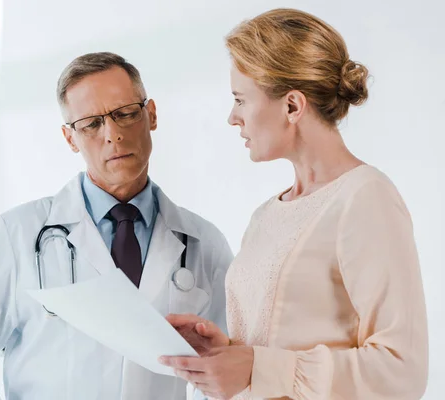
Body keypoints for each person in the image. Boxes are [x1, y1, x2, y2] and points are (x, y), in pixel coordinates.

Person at [0, 52, 234, 400]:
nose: (112, 134)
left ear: (151, 114)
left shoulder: (203, 243)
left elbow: (226, 371)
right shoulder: (18, 234)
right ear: (71, 138)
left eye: (125, 113)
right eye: (91, 124)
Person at [160, 8, 428, 400]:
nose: (232, 118)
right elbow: (277, 354)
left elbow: (402, 371)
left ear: (292, 106)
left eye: (240, 99)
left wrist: (256, 366)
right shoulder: (266, 215)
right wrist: (226, 354)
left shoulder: (366, 198)